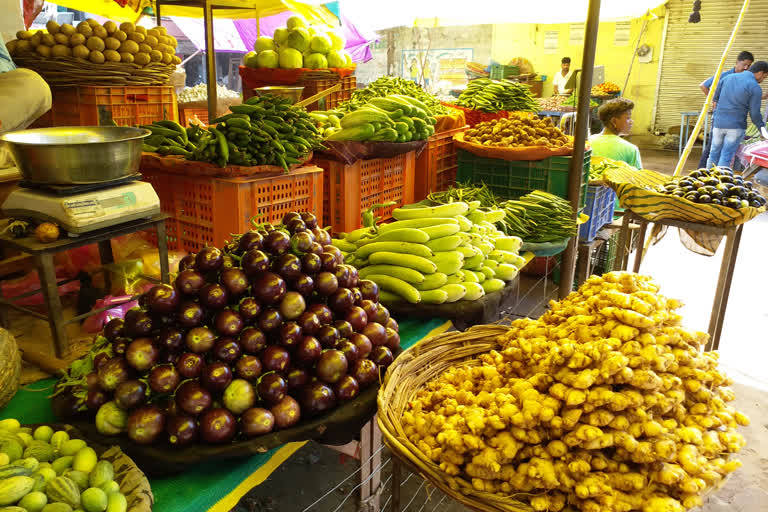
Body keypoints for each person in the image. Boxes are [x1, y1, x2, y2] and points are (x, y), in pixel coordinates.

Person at [698, 51, 754, 167]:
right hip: (720, 118)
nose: (746, 68)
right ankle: (702, 170)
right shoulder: (724, 75)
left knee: (724, 151)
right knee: (713, 148)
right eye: (744, 64)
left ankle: (716, 174)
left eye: (749, 66)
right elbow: (703, 85)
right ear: (737, 62)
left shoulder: (744, 79)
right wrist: (714, 101)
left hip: (734, 120)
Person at [707, 61, 768, 168]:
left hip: (718, 124)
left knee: (713, 153)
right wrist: (762, 130)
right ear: (760, 73)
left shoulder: (727, 78)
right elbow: (754, 113)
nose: (763, 80)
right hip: (735, 126)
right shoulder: (754, 87)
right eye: (764, 77)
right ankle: (720, 181)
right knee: (726, 156)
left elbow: (715, 101)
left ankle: (706, 179)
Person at [588, 98, 643, 169]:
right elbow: (638, 176)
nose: (631, 122)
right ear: (614, 121)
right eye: (628, 118)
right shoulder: (631, 149)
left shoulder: (588, 141)